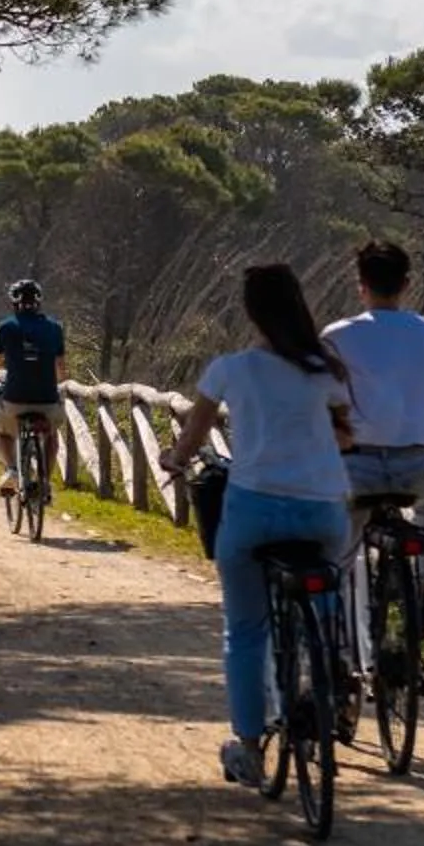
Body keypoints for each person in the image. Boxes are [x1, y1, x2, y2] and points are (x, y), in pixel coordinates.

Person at [160, 264, 354, 790]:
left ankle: (248, 747)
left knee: (246, 631)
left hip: (253, 510)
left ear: (251, 312)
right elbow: (347, 436)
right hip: (321, 511)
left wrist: (174, 461)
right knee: (329, 597)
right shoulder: (325, 369)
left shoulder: (230, 368)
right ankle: (329, 669)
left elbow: (194, 433)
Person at [323, 239, 424, 620]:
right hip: (416, 467)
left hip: (356, 467)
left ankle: (335, 622)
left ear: (360, 284)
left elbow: (320, 398)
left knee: (341, 545)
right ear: (406, 284)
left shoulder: (337, 335)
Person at [0, 280, 67, 502]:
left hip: (15, 400)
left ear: (14, 302)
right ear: (39, 302)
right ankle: (44, 481)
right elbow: (61, 369)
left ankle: (12, 469)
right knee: (51, 436)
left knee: (2, 432)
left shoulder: (6, 326)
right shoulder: (54, 328)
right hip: (47, 401)